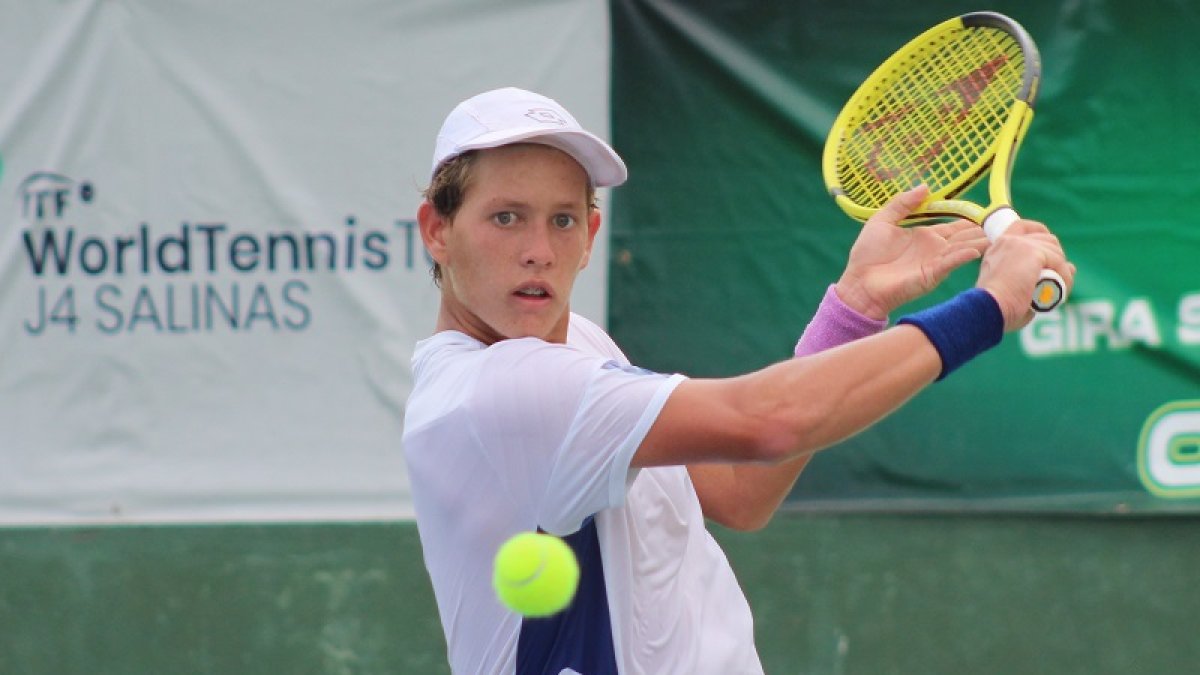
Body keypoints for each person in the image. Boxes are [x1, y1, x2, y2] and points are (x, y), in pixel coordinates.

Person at [403, 87, 1073, 675]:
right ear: (438, 229)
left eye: (563, 219)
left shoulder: (572, 343)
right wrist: (987, 309)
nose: (539, 249)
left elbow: (739, 489)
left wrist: (857, 304)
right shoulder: (501, 390)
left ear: (591, 234)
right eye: (506, 217)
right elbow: (768, 422)